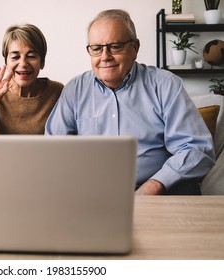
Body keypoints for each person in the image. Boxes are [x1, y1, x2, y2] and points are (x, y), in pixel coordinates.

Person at [45, 9, 215, 195]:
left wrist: (156, 184)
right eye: (96, 48)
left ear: (135, 47)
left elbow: (196, 149)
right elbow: (53, 149)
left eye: (115, 46)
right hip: (90, 193)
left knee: (187, 190)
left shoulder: (165, 85)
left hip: (156, 190)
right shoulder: (74, 90)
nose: (105, 56)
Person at [0, 24, 63, 135]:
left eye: (31, 56)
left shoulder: (57, 92)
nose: (23, 64)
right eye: (15, 57)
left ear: (42, 62)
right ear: (6, 63)